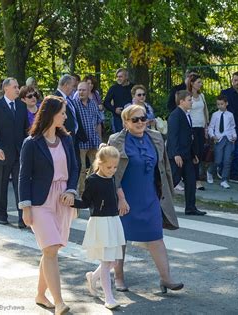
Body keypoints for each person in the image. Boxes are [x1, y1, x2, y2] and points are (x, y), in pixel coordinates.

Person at [108, 104, 182, 293]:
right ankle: (119, 277)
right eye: (135, 119)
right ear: (125, 122)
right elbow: (110, 173)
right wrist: (119, 198)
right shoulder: (116, 140)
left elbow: (164, 166)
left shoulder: (155, 137)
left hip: (150, 196)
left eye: (143, 118)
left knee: (156, 237)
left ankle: (166, 279)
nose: (141, 122)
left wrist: (168, 192)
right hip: (125, 197)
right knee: (120, 239)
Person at [18, 96, 78, 315]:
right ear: (51, 113)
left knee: (51, 250)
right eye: (62, 112)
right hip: (40, 202)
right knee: (50, 249)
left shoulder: (67, 140)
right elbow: (24, 177)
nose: (65, 116)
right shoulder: (31, 143)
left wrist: (71, 190)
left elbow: (75, 168)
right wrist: (25, 207)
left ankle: (40, 295)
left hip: (63, 199)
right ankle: (59, 301)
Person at [72, 145, 126, 310]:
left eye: (115, 167)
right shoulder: (92, 180)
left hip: (113, 221)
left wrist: (122, 201)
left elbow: (115, 193)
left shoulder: (111, 178)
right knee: (106, 261)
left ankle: (92, 277)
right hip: (100, 223)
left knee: (114, 261)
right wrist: (70, 202)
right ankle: (108, 297)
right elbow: (86, 202)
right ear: (99, 163)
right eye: (109, 167)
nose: (112, 170)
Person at [0, 78, 28, 228]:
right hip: (1, 152)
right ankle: (1, 215)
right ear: (6, 89)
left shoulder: (22, 106)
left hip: (19, 153)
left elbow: (26, 129)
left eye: (18, 86)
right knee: (1, 185)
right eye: (15, 87)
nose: (18, 89)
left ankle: (23, 218)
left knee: (21, 185)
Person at [167, 91, 206, 216]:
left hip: (187, 155)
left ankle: (190, 207)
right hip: (178, 155)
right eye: (189, 100)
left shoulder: (186, 114)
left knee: (190, 181)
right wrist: (175, 154)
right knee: (172, 180)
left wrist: (194, 153)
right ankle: (158, 203)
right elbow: (173, 136)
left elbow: (189, 136)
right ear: (181, 101)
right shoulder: (175, 115)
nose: (191, 102)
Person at [73, 81, 102, 194]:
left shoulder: (93, 104)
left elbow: (98, 122)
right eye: (79, 90)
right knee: (81, 169)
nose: (81, 92)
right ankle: (82, 192)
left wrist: (99, 140)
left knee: (96, 167)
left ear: (89, 91)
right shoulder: (74, 104)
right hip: (81, 142)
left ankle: (93, 190)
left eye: (83, 90)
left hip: (93, 140)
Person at [54, 75, 87, 175]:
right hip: (63, 138)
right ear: (66, 85)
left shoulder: (69, 100)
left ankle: (72, 189)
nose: (73, 89)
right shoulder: (55, 99)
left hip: (73, 138)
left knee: (76, 166)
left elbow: (74, 118)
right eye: (72, 86)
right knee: (69, 167)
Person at [206, 95, 236, 189]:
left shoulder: (230, 115)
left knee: (227, 160)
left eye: (222, 104)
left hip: (229, 139)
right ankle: (210, 171)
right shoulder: (215, 115)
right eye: (218, 104)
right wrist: (213, 136)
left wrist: (234, 136)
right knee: (218, 160)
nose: (220, 106)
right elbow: (211, 127)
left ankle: (224, 180)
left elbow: (232, 127)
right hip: (218, 139)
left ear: (226, 104)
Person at [187, 74, 209, 190]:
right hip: (192, 128)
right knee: (194, 153)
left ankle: (194, 177)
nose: (200, 84)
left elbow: (205, 110)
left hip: (201, 128)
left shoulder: (201, 96)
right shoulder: (187, 96)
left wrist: (206, 126)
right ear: (192, 83)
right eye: (198, 82)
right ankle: (196, 180)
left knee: (199, 153)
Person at [103, 68, 134, 132]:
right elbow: (106, 102)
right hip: (118, 118)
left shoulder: (133, 87)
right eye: (117, 77)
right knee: (120, 138)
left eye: (120, 76)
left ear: (126, 77)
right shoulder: (113, 88)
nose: (118, 78)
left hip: (132, 116)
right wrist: (114, 110)